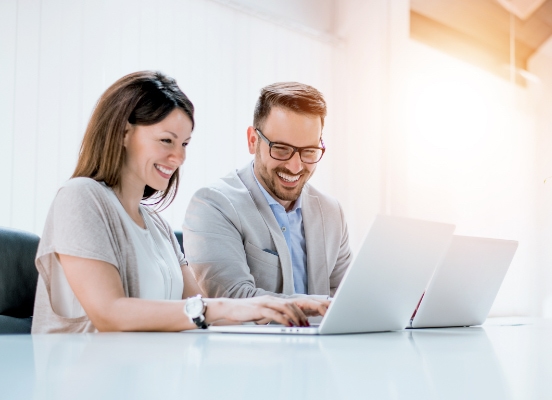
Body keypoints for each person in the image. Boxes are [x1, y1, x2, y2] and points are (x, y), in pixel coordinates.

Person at [31, 71, 328, 333]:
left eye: (184, 144)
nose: (180, 157)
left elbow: (201, 306)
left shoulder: (157, 225)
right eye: (166, 141)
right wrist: (224, 308)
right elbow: (110, 313)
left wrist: (292, 304)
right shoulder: (80, 196)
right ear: (123, 133)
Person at [182, 82, 352, 299]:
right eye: (281, 149)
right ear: (253, 141)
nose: (295, 167)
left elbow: (347, 298)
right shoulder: (213, 204)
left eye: (309, 151)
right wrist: (321, 307)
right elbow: (233, 300)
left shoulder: (331, 212)